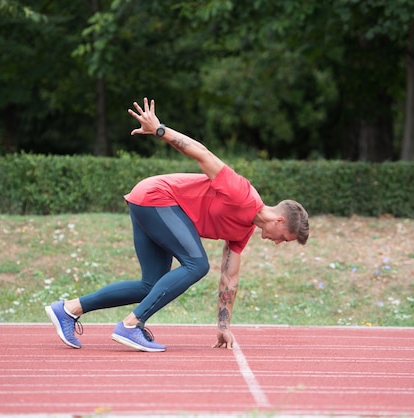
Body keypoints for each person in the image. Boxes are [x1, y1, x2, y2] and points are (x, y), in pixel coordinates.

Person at [45, 97, 309, 352]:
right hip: (157, 198)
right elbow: (203, 154)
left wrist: (223, 325)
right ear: (280, 220)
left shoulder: (244, 230)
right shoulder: (243, 193)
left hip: (148, 202)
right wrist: (160, 130)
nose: (278, 242)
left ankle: (68, 309)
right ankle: (131, 325)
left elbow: (230, 277)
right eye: (284, 237)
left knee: (151, 285)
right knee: (197, 264)